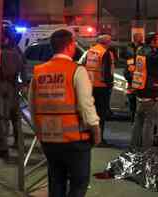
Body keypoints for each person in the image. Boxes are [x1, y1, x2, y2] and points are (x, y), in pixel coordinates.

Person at [29, 29, 101, 197]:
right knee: (79, 183)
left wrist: (39, 133)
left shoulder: (38, 72)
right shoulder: (77, 70)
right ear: (70, 46)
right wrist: (95, 130)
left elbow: (33, 107)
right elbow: (86, 105)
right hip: (75, 140)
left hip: (49, 138)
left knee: (56, 182)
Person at [0, 26, 26, 159]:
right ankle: (17, 142)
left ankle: (3, 148)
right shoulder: (17, 51)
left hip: (5, 87)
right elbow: (23, 70)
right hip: (14, 87)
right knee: (14, 117)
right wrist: (22, 85)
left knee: (3, 118)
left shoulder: (4, 52)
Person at [85, 34, 115, 144]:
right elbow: (107, 72)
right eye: (110, 41)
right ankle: (99, 139)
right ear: (106, 42)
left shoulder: (91, 51)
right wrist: (109, 84)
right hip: (102, 87)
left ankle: (90, 137)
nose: (111, 43)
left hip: (90, 86)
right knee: (101, 114)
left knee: (92, 113)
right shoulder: (105, 53)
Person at [124, 33, 144, 123]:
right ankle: (133, 118)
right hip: (131, 77)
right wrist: (128, 74)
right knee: (132, 98)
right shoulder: (129, 47)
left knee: (140, 98)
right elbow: (126, 60)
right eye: (140, 37)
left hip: (140, 76)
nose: (141, 38)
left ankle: (138, 118)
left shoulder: (143, 47)